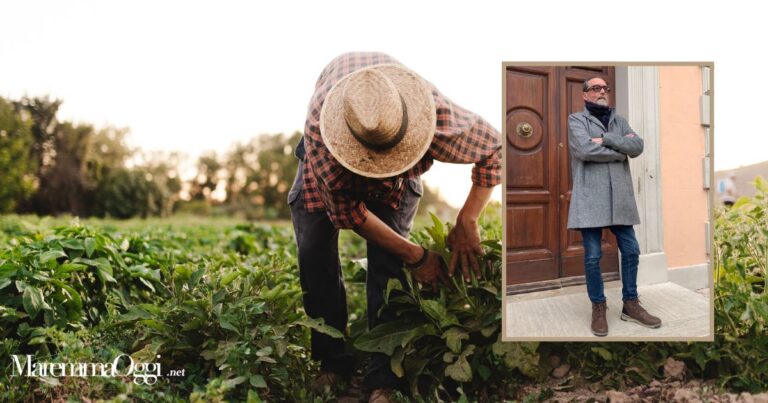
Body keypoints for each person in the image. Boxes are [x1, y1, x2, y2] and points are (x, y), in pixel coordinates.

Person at [287, 52, 501, 401]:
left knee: (389, 267)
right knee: (314, 255)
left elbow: (495, 149)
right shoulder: (323, 138)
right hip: (329, 160)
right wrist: (418, 256)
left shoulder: (434, 115)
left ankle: (383, 378)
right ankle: (332, 361)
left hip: (400, 145)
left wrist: (467, 219)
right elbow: (350, 215)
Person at [567, 76, 662, 337]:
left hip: (619, 195)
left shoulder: (619, 121)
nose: (601, 91)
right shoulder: (576, 120)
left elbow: (638, 146)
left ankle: (630, 304)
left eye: (605, 88)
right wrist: (621, 149)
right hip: (590, 196)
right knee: (593, 256)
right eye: (595, 88)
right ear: (585, 95)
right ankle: (599, 307)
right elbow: (584, 150)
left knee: (631, 250)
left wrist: (606, 139)